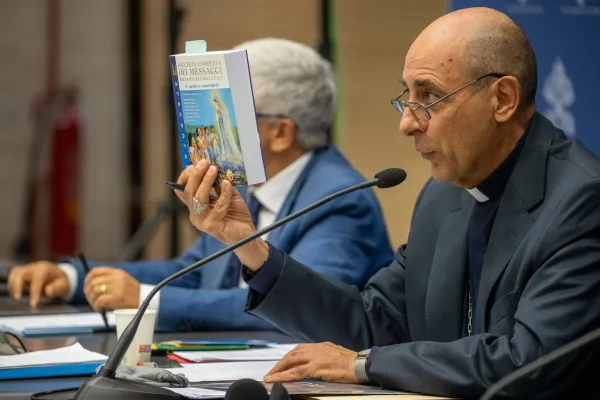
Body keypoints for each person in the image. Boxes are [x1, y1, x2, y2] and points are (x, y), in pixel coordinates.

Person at [175, 8, 600, 400]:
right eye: (406, 96)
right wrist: (252, 248)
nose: (407, 122)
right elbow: (372, 322)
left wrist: (364, 364)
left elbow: (528, 363)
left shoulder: (581, 202)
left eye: (428, 97)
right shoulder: (443, 196)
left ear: (502, 99)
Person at [7, 38, 394, 333]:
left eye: (226, 108)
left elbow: (294, 310)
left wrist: (143, 300)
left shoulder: (338, 202)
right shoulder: (254, 188)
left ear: (280, 133)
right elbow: (191, 272)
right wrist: (77, 278)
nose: (208, 128)